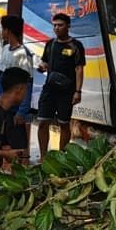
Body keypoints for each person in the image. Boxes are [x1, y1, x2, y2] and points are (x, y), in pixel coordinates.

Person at [36, 13, 85, 161]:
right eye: (55, 25)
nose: (56, 28)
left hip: (67, 92)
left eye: (60, 25)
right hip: (49, 90)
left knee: (64, 124)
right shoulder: (50, 44)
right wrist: (42, 66)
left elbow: (79, 69)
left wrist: (78, 91)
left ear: (68, 26)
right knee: (43, 123)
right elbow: (45, 62)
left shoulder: (76, 46)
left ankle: (61, 157)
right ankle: (43, 157)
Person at [0, 15, 34, 159]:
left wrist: (22, 110)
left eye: (2, 29)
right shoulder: (5, 49)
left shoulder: (23, 54)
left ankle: (20, 169)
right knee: (3, 143)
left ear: (8, 31)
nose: (1, 32)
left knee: (17, 146)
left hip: (14, 109)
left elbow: (27, 83)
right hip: (2, 106)